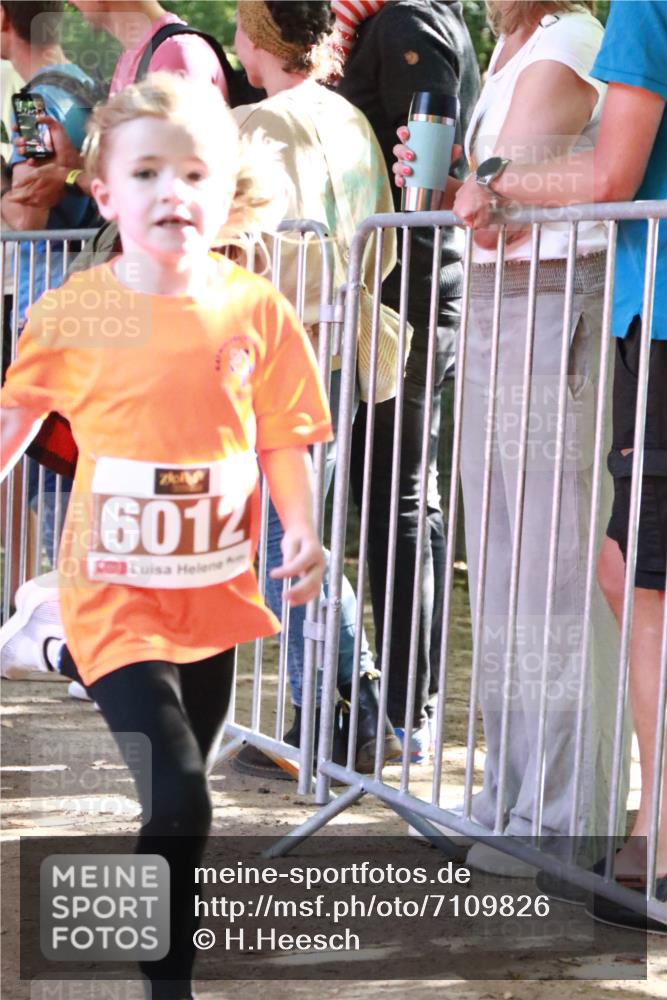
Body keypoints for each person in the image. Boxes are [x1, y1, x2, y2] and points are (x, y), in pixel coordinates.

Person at [0, 73, 332, 996]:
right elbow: (18, 414)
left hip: (215, 595)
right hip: (116, 592)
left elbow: (281, 433)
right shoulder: (87, 307)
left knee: (188, 815)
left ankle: (45, 640)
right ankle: (169, 983)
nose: (170, 192)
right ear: (103, 193)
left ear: (226, 192)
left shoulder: (249, 307)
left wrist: (301, 527)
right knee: (178, 791)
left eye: (193, 173)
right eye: (144, 173)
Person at [394, 0, 626, 874]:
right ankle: (511, 800)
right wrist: (460, 180)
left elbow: (508, 171)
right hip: (503, 305)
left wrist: (472, 179)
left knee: (549, 573)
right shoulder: (509, 49)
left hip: (553, 302)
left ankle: (563, 822)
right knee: (498, 570)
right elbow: (484, 190)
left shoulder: (569, 39)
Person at [453, 0, 666, 932]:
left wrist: (492, 186)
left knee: (615, 576)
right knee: (609, 570)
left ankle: (624, 833)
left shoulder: (604, 24)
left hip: (627, 312)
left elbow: (606, 167)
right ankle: (610, 821)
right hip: (623, 315)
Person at [230, 0, 402, 776]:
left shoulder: (253, 127)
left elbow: (232, 248)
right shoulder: (350, 120)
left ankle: (339, 709)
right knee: (295, 526)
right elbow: (387, 242)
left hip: (276, 348)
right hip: (339, 344)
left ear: (254, 37)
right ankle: (336, 711)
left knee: (287, 533)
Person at [335, 0, 481, 761]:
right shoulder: (398, 21)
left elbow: (429, 157)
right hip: (406, 288)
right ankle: (400, 704)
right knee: (393, 493)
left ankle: (405, 708)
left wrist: (411, 214)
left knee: (396, 495)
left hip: (411, 291)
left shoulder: (407, 23)